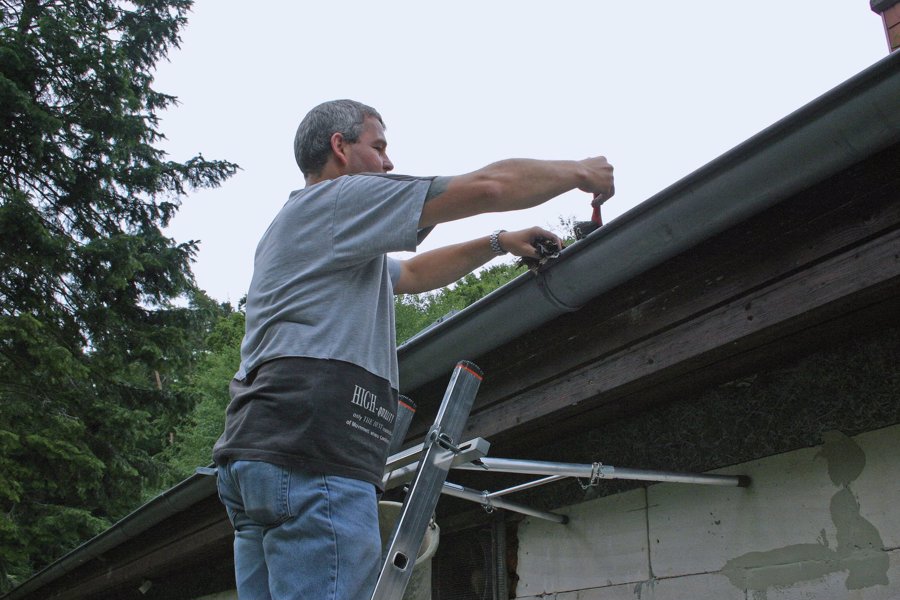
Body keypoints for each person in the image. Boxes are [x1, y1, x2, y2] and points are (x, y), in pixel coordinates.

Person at [213, 99, 614, 599]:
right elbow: (487, 186)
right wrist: (580, 171)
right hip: (312, 455)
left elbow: (415, 274)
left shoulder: (316, 237)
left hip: (256, 457)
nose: (388, 163)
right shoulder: (339, 200)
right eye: (378, 147)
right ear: (340, 148)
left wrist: (499, 242)